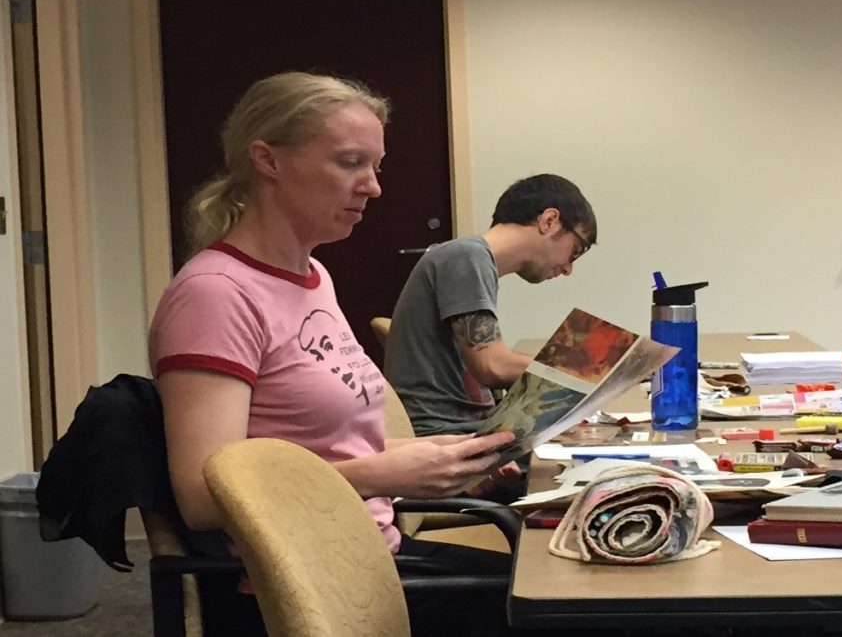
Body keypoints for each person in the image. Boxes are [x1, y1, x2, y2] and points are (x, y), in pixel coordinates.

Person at [148, 71, 518, 637]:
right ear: (268, 160)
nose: (372, 186)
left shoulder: (313, 276)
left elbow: (322, 441)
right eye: (350, 163)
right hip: (303, 588)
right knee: (587, 611)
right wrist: (386, 473)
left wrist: (439, 456)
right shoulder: (215, 294)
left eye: (376, 166)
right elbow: (203, 498)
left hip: (370, 553)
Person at [384, 174, 597, 439]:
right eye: (576, 249)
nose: (568, 268)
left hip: (464, 431)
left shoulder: (473, 260)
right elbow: (493, 366)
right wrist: (588, 371)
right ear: (549, 221)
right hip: (446, 438)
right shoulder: (466, 257)